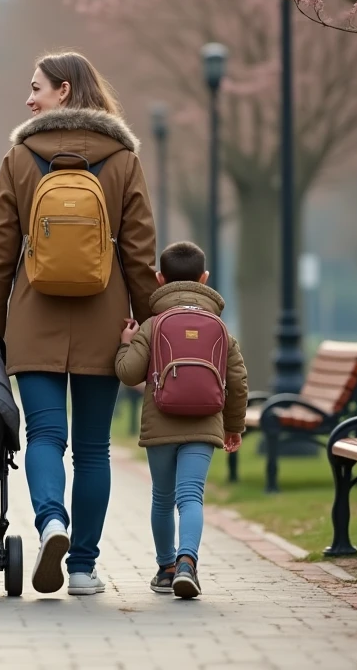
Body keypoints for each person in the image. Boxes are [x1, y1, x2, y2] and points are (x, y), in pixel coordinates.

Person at [0, 51, 158, 595]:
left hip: (35, 318)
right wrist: (152, 329)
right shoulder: (123, 158)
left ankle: (50, 521)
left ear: (62, 90)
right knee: (94, 449)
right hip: (108, 322)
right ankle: (82, 568)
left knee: (46, 435)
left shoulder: (19, 157)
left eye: (35, 88)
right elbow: (139, 254)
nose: (28, 99)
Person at [114, 241, 248, 599]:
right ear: (204, 278)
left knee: (162, 498)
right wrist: (233, 426)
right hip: (204, 424)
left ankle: (166, 568)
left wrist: (126, 343)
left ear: (160, 279)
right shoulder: (219, 327)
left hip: (161, 424)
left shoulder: (153, 324)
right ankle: (188, 563)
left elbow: (128, 374)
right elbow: (237, 381)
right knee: (191, 497)